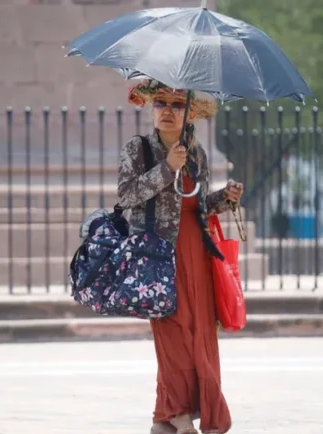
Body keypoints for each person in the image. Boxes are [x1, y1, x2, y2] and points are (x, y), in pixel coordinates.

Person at [117, 79, 244, 434]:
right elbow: (126, 197)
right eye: (160, 104)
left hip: (197, 251)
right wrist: (166, 168)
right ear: (151, 108)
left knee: (200, 332)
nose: (167, 112)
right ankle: (177, 412)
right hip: (159, 253)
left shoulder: (196, 152)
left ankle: (169, 415)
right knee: (171, 331)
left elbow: (199, 205)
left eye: (176, 105)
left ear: (189, 114)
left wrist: (226, 197)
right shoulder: (138, 149)